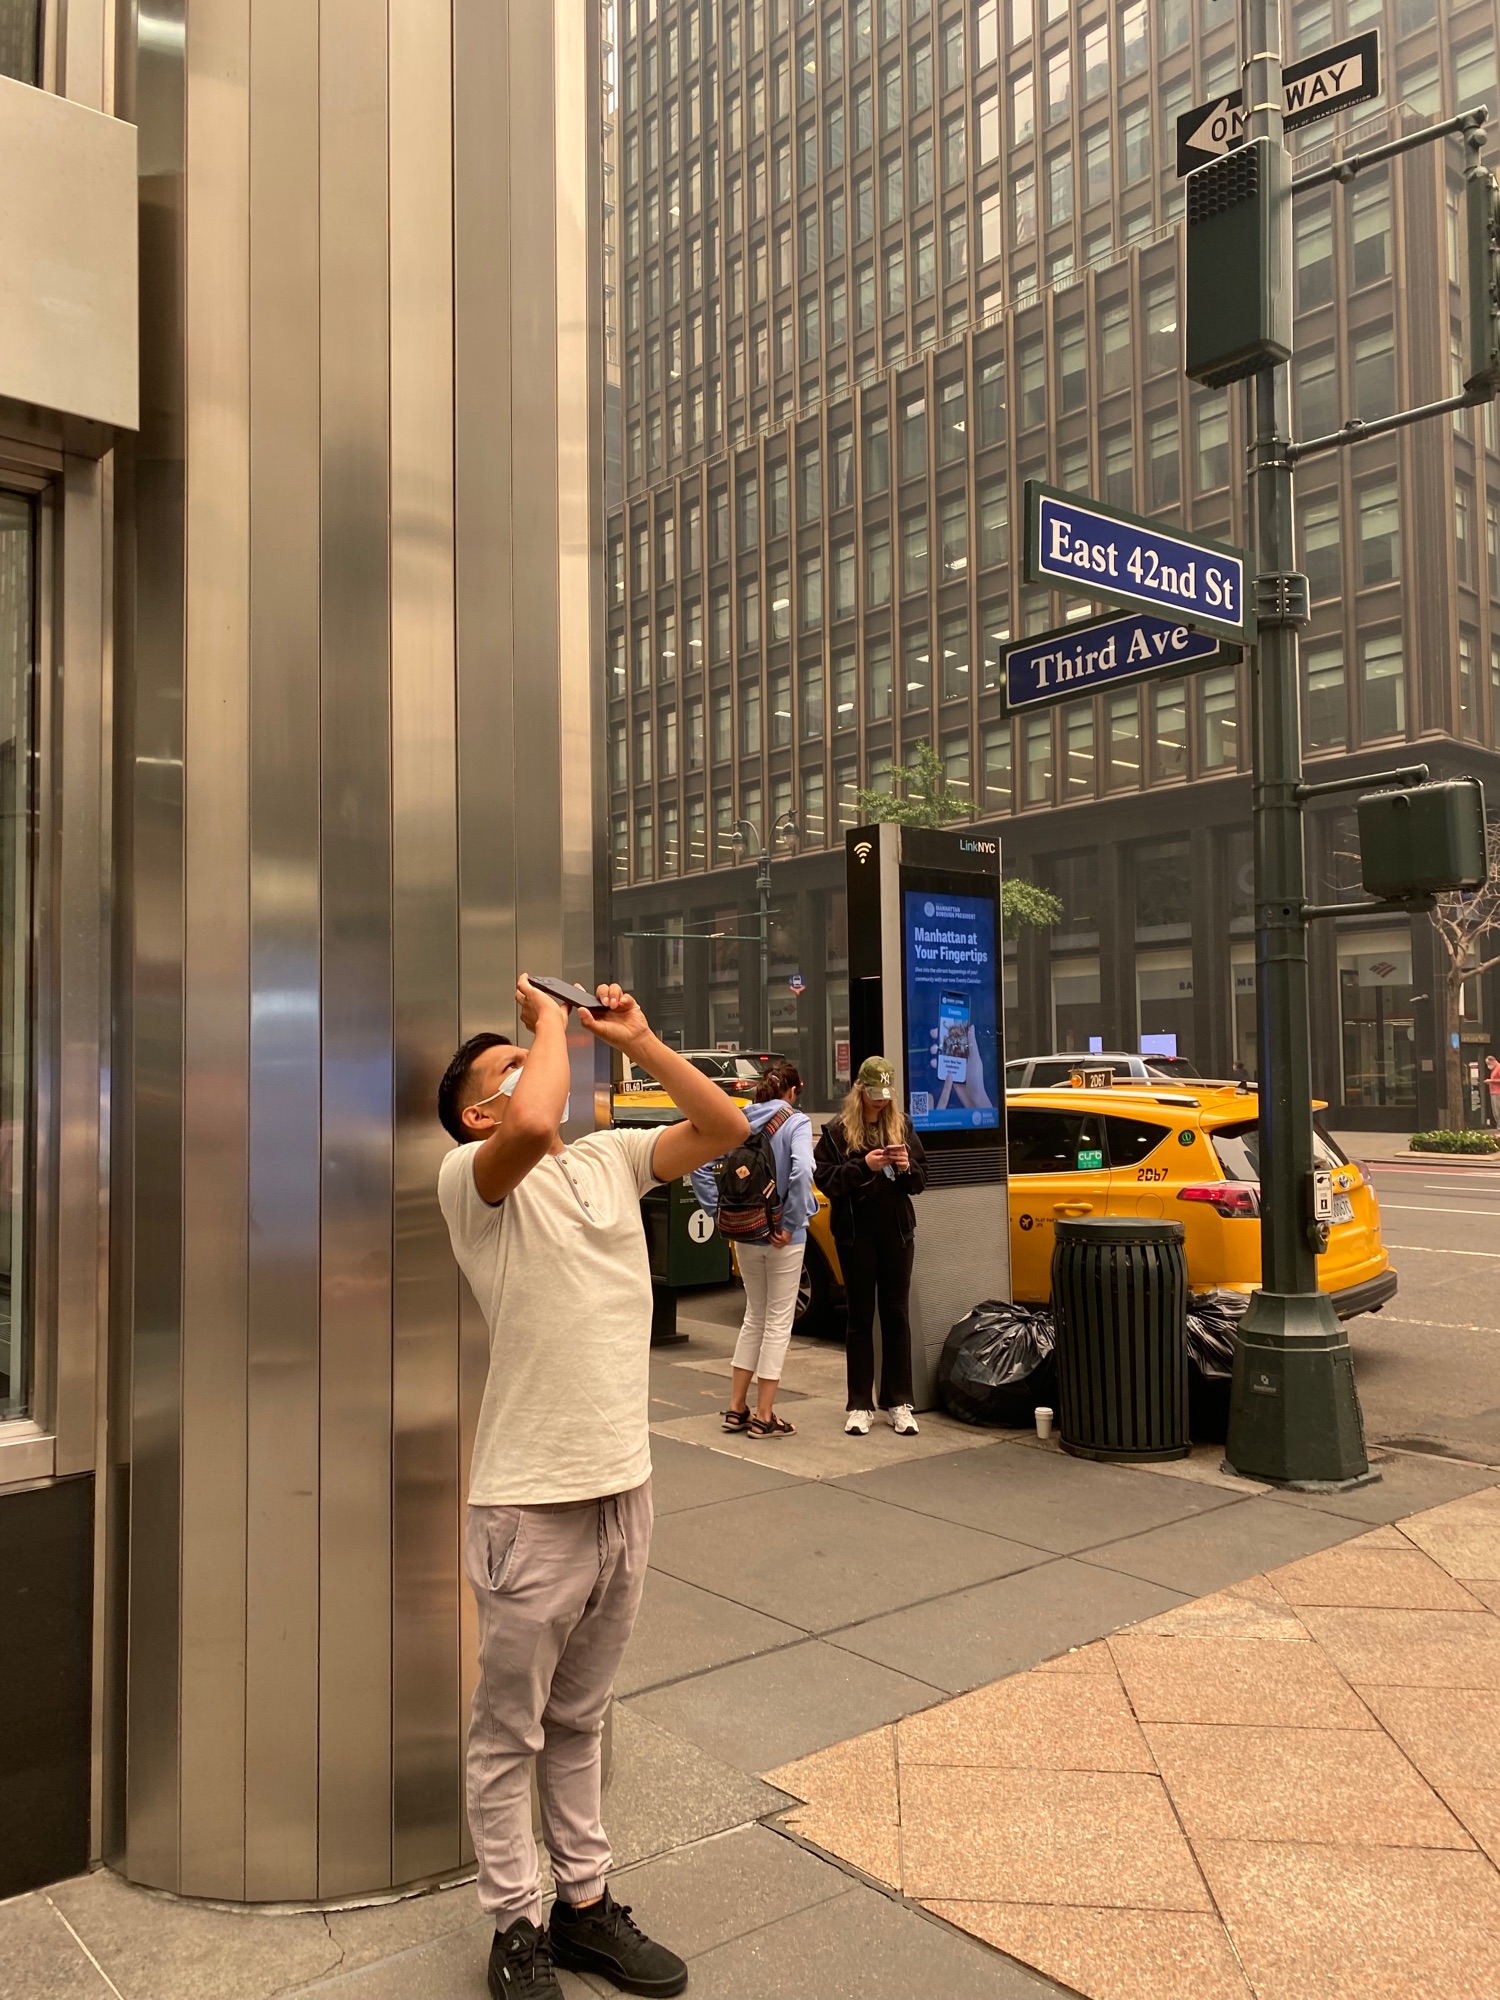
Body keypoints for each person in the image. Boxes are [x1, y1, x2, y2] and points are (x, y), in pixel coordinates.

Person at [437, 976, 749, 2000]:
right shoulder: (472, 1177)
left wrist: (640, 1040)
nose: (535, 1069)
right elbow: (533, 1120)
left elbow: (726, 1124)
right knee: (508, 1731)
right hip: (529, 1504)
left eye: (529, 1054)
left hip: (624, 1489)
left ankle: (583, 1907)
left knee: (583, 1716)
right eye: (507, 1069)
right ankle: (516, 1924)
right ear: (477, 1114)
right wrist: (544, 1027)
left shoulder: (609, 1159)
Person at [690, 1058, 816, 1438]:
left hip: (744, 1231)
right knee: (778, 1322)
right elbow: (803, 1171)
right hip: (782, 1238)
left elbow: (698, 1165)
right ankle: (763, 1415)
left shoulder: (739, 1120)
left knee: (754, 1317)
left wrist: (718, 1210)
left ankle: (736, 1408)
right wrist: (789, 1223)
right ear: (792, 1091)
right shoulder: (796, 1122)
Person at [813, 1055, 929, 1437]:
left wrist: (906, 1166)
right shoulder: (837, 1131)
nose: (879, 1102)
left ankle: (899, 1401)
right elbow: (826, 1180)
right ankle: (860, 1404)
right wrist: (865, 1165)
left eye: (884, 1096)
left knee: (896, 1315)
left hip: (896, 1233)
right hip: (855, 1235)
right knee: (860, 1318)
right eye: (873, 1095)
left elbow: (921, 1180)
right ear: (859, 1091)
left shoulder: (902, 1125)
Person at [1488, 1053, 1500, 1130]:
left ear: (1492, 1061)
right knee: (1495, 1111)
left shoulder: (1499, 1068)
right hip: (1493, 1092)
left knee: (1498, 1110)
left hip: (1498, 1092)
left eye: (1488, 1063)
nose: (1488, 1065)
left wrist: (1491, 1081)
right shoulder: (1494, 1069)